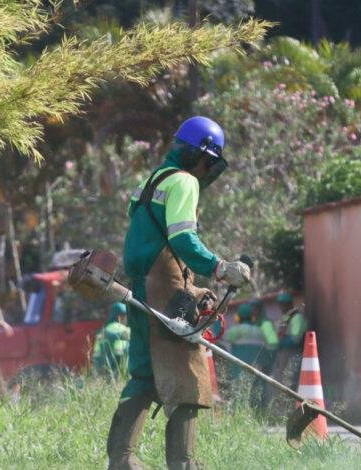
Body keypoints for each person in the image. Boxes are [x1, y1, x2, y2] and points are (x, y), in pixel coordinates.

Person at [107, 116, 251, 470]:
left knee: (143, 373)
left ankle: (121, 459)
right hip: (166, 291)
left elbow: (145, 234)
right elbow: (182, 238)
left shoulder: (153, 179)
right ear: (199, 155)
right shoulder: (184, 182)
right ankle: (184, 464)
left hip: (139, 287)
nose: (206, 170)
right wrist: (219, 267)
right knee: (190, 376)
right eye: (207, 162)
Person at [271, 291, 308, 388]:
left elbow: (296, 339)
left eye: (283, 304)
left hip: (294, 353)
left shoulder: (297, 318)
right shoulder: (287, 317)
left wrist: (281, 342)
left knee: (291, 381)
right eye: (280, 304)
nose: (281, 307)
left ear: (289, 304)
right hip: (284, 353)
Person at [223, 302, 266, 381]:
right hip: (256, 368)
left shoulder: (235, 330)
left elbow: (224, 339)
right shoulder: (259, 331)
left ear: (238, 317)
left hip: (239, 368)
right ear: (252, 317)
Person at [92, 302, 130, 377]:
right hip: (122, 373)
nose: (127, 319)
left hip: (105, 373)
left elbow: (96, 355)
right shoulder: (126, 331)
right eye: (126, 317)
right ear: (121, 316)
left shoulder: (101, 333)